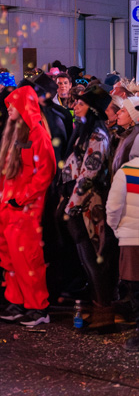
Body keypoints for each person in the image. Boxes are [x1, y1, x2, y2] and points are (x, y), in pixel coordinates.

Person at [0, 86, 56, 327]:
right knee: (9, 259)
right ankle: (17, 303)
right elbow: (4, 173)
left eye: (12, 104)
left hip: (24, 209)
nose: (8, 107)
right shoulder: (14, 135)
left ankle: (38, 308)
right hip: (8, 207)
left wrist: (22, 198)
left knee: (28, 259)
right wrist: (0, 200)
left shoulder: (37, 134)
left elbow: (45, 172)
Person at [59, 85, 115, 330]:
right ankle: (96, 306)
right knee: (86, 257)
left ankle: (105, 311)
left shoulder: (98, 136)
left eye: (80, 103)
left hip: (91, 206)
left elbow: (88, 174)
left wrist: (71, 206)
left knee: (94, 257)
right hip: (80, 203)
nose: (74, 106)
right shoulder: (84, 131)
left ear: (91, 110)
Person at [106, 156, 139, 351]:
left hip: (132, 240)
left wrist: (118, 230)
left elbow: (113, 207)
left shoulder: (126, 172)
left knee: (135, 290)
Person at [110, 96, 139, 176]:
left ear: (133, 118)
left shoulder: (133, 139)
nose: (118, 112)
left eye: (123, 111)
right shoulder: (123, 136)